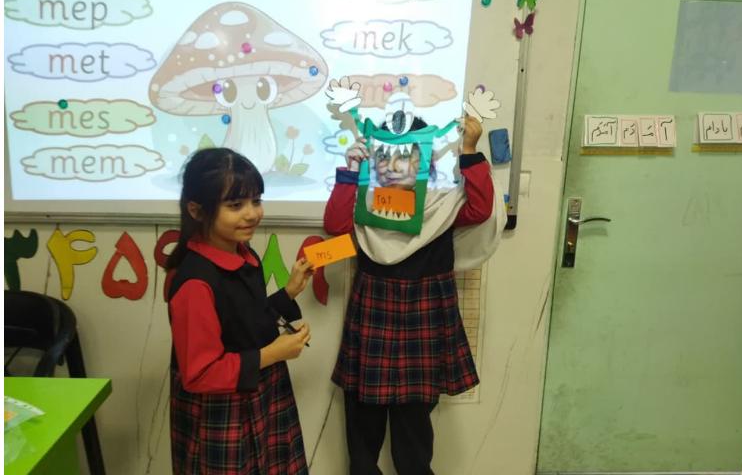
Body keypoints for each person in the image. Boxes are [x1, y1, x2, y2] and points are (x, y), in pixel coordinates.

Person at [324, 115, 497, 474]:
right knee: (363, 425)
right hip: (374, 316)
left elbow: (480, 209)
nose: (393, 165)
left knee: (414, 432)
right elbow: (335, 226)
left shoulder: (441, 205)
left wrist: (469, 150)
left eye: (405, 155)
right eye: (383, 156)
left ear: (425, 160)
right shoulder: (365, 201)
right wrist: (351, 171)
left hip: (425, 318)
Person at [165, 147, 314, 474]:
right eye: (235, 205)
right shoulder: (195, 283)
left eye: (256, 201)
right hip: (221, 412)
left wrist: (289, 292)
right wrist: (273, 353)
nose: (251, 214)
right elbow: (200, 374)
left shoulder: (245, 255)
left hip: (261, 394)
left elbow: (248, 322)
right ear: (197, 210)